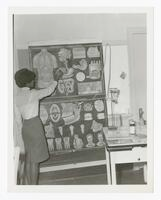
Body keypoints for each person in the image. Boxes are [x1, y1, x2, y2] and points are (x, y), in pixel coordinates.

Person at [14, 68, 59, 185]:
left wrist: (21, 133)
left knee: (29, 160)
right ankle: (34, 189)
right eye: (33, 80)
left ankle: (30, 187)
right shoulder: (32, 94)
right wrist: (56, 80)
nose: (34, 82)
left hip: (25, 128)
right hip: (34, 126)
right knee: (35, 162)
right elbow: (48, 90)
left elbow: (18, 120)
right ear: (27, 82)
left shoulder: (16, 97)